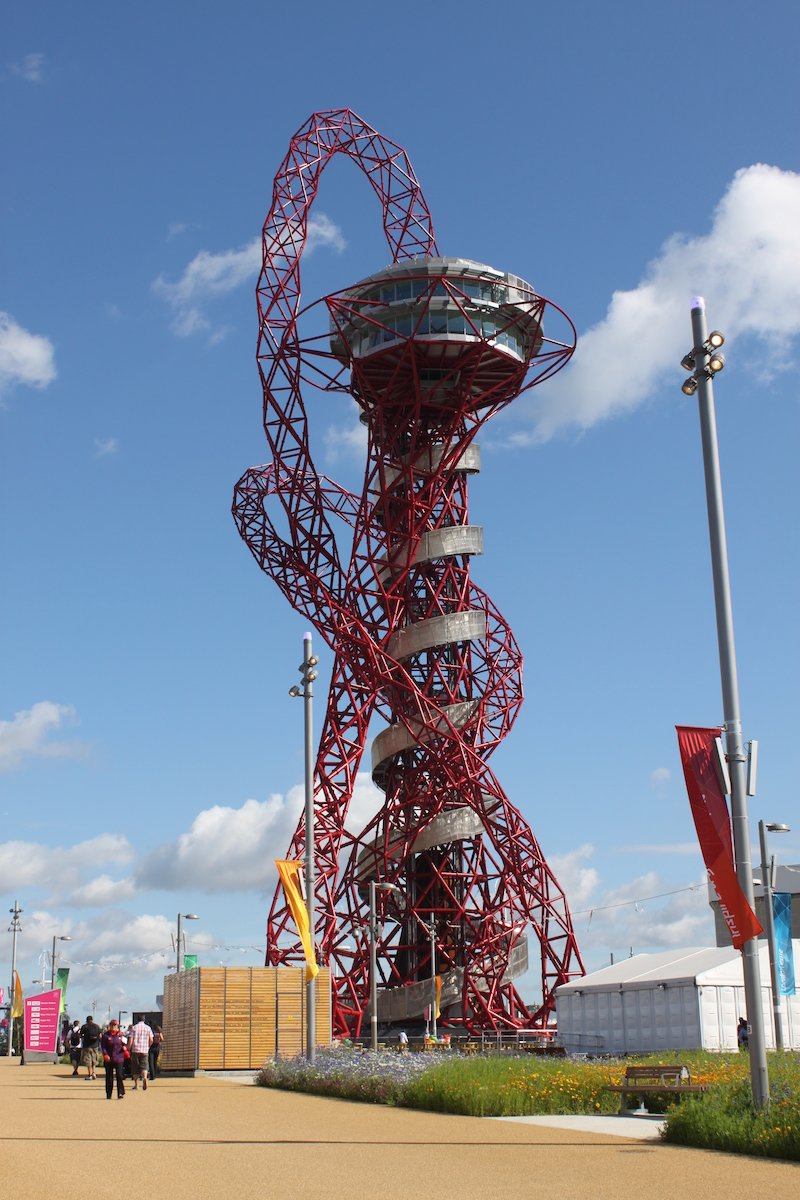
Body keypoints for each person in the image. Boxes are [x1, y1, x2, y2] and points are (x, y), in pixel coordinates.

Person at [100, 1019, 127, 1100]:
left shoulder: (120, 1035)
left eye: (115, 1025)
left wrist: (125, 1048)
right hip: (109, 1058)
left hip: (119, 1058)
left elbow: (125, 1044)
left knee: (119, 1075)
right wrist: (105, 1054)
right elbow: (103, 1047)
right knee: (109, 1077)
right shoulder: (105, 1036)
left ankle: (120, 1093)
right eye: (112, 1025)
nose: (113, 1027)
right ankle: (109, 1094)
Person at [128, 1017, 153, 1090]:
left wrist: (129, 1048)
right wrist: (148, 1045)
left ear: (137, 1020)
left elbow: (130, 1039)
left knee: (135, 1068)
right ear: (144, 1019)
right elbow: (151, 1039)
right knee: (144, 1066)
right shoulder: (148, 1028)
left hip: (135, 1050)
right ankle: (144, 1078)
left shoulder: (134, 1028)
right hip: (144, 1050)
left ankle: (136, 1084)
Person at [79, 1014, 102, 1080]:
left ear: (87, 1020)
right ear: (92, 1020)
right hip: (95, 1045)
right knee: (94, 1060)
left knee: (88, 1060)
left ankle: (89, 1074)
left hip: (87, 1046)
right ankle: (94, 1072)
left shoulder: (84, 1026)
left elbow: (81, 1035)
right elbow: (100, 1035)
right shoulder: (97, 1026)